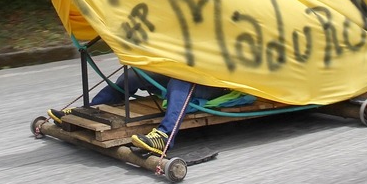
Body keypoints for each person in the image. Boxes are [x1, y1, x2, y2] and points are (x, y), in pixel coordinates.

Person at [47, 69, 230, 154]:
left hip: (215, 81)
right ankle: (90, 111)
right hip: (179, 69)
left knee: (180, 82)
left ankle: (165, 136)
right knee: (132, 75)